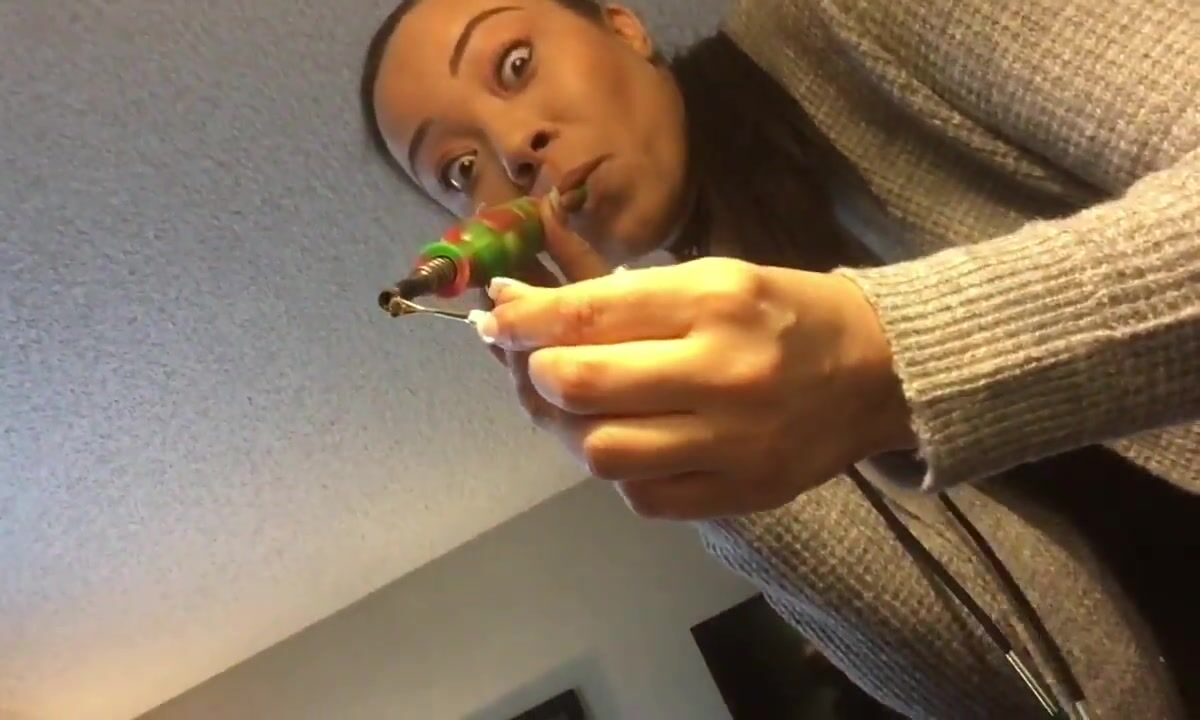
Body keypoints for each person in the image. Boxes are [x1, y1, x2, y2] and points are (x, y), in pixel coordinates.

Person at [359, 0, 1200, 717]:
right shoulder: (732, 344)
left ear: (622, 27)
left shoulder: (849, 17)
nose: (514, 150)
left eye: (514, 65)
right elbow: (1044, 691)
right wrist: (703, 470)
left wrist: (886, 356)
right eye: (459, 168)